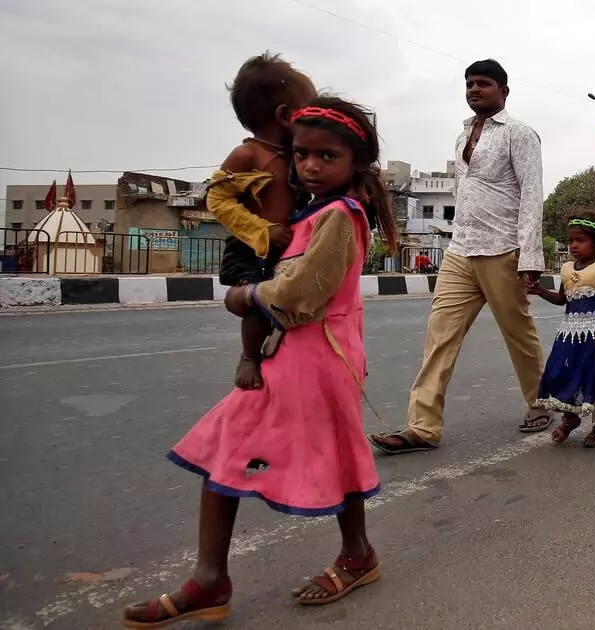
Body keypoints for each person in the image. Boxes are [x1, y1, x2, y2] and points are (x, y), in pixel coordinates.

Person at [121, 96, 399, 628]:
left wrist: (245, 297)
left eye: (326, 156)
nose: (311, 166)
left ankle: (343, 557)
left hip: (321, 358)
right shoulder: (306, 214)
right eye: (301, 155)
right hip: (295, 358)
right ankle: (215, 578)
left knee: (314, 453)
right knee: (235, 446)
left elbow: (301, 295)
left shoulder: (340, 216)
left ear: (355, 164)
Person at [369, 59, 549, 455]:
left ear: (503, 90)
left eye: (483, 83)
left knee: (518, 333)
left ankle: (541, 402)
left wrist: (529, 256)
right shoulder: (462, 134)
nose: (474, 90)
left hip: (502, 249)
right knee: (439, 337)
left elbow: (532, 195)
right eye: (469, 83)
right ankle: (422, 427)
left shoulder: (520, 134)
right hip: (460, 249)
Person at [207, 52, 316, 390]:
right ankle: (249, 356)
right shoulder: (248, 154)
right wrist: (260, 229)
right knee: (254, 300)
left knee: (284, 301)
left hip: (287, 246)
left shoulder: (298, 156)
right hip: (251, 245)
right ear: (285, 115)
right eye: (309, 110)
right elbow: (216, 197)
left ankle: (282, 354)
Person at [526, 212, 595, 447]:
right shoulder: (566, 269)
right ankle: (570, 417)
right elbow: (563, 299)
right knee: (561, 374)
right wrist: (540, 291)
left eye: (580, 240)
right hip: (569, 335)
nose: (573, 245)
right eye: (571, 240)